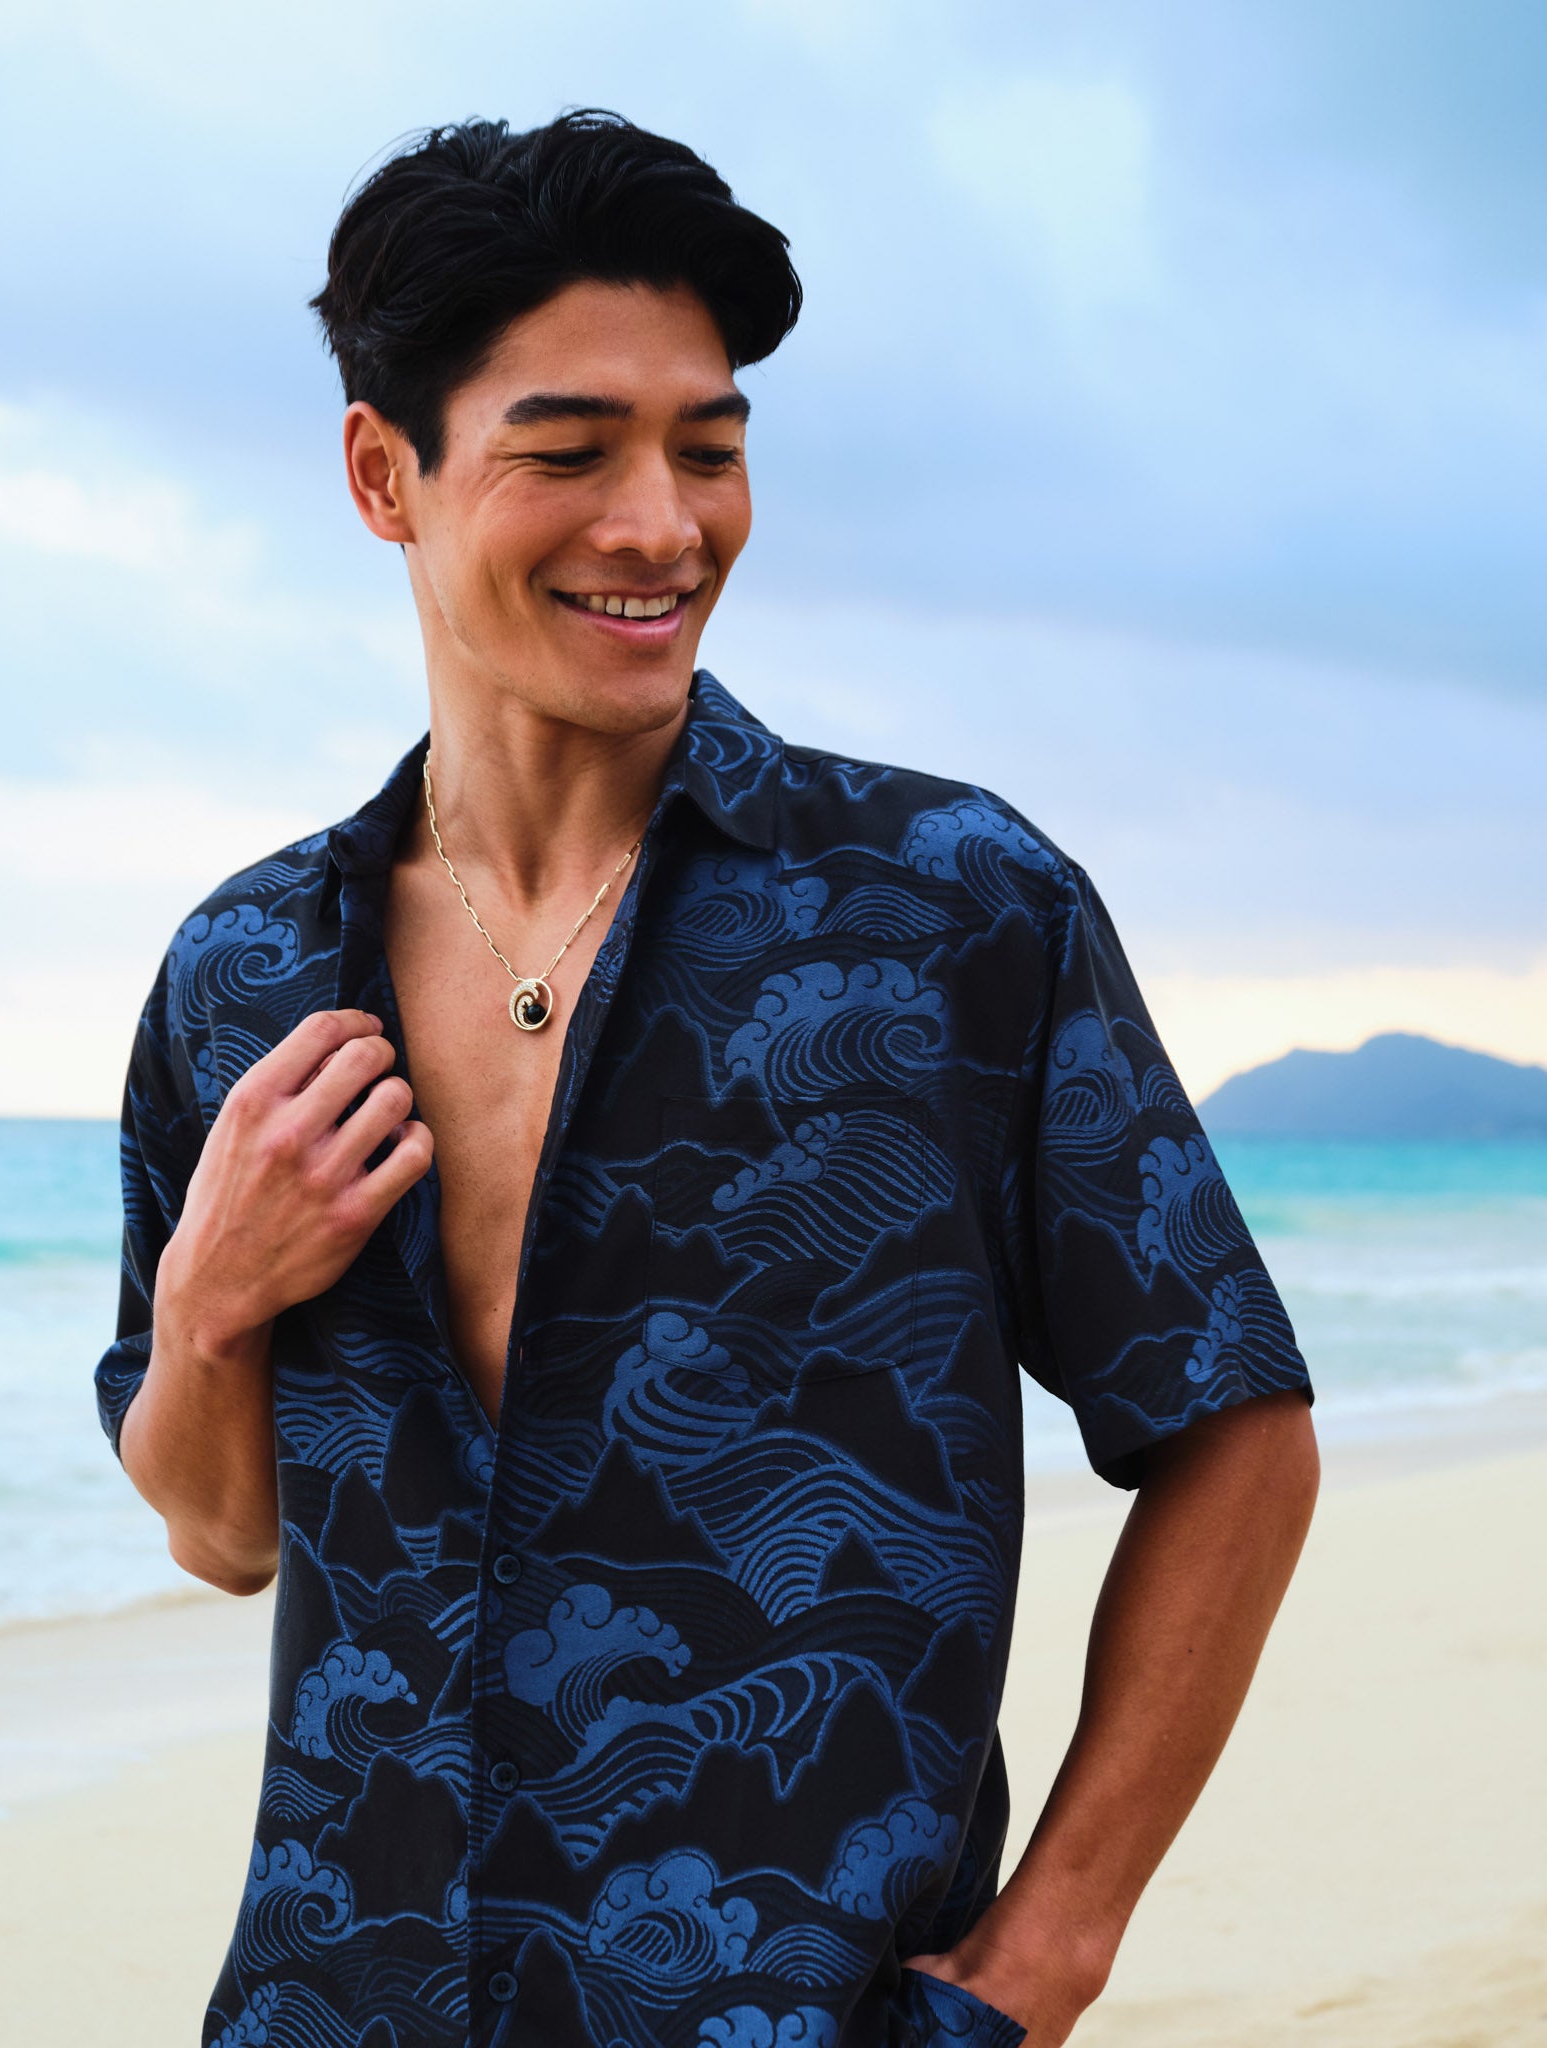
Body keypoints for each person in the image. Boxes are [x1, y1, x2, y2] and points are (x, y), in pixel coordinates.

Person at [95, 109, 1320, 2048]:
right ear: (381, 474)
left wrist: (1051, 1943)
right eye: (570, 453)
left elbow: (1234, 1427)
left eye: (710, 449)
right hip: (337, 1999)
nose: (661, 523)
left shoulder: (948, 912)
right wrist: (205, 1302)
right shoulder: (245, 970)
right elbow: (224, 1530)